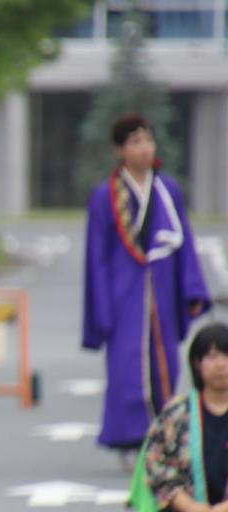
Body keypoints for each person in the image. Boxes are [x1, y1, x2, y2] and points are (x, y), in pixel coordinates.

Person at [83, 112, 209, 463]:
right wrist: (102, 305)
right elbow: (98, 255)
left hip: (163, 289)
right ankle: (129, 437)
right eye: (135, 142)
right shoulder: (104, 196)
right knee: (126, 365)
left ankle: (165, 433)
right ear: (120, 149)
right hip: (124, 293)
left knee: (166, 360)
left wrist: (192, 289)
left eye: (148, 140)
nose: (144, 148)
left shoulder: (167, 190)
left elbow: (183, 240)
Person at [131, 323, 228, 512]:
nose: (221, 365)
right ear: (197, 363)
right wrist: (191, 508)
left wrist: (223, 511)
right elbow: (156, 467)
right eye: (212, 356)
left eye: (227, 356)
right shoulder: (176, 414)